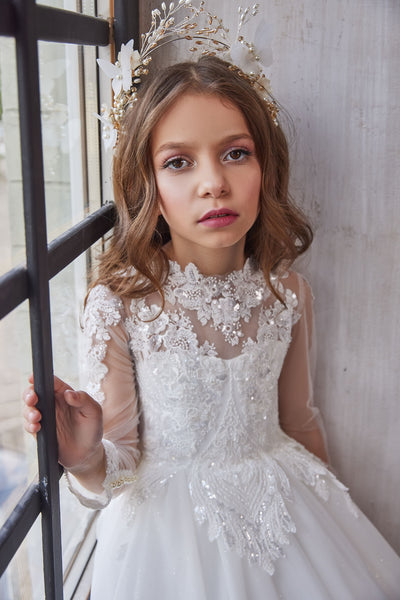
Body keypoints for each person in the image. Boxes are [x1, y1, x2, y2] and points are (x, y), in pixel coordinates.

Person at [23, 4, 400, 599]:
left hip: (287, 511)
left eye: (235, 153)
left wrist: (333, 518)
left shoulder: (287, 291)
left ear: (264, 167)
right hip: (168, 542)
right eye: (179, 162)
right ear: (147, 185)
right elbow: (118, 465)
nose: (213, 182)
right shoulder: (120, 304)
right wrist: (86, 453)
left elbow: (299, 420)